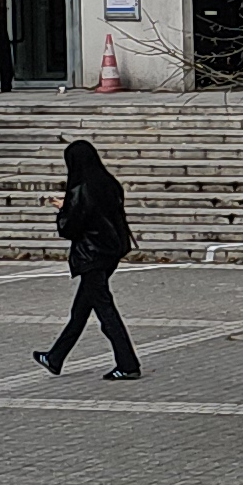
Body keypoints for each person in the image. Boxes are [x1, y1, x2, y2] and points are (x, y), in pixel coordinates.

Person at [35, 140, 144, 379]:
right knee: (81, 309)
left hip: (91, 256)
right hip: (110, 252)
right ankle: (55, 356)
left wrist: (63, 209)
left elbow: (71, 227)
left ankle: (127, 364)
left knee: (105, 311)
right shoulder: (109, 183)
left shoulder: (81, 189)